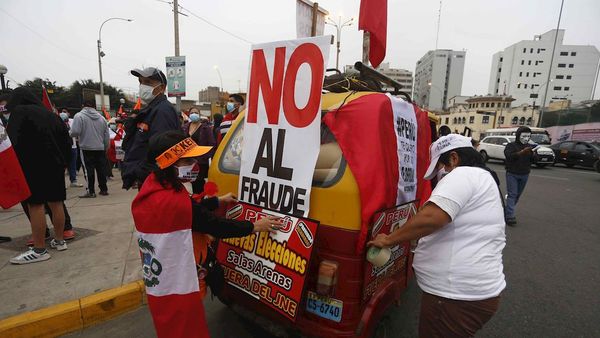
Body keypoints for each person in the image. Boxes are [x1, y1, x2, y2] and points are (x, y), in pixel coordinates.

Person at [132, 130, 282, 337]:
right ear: (169, 164)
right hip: (180, 279)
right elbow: (213, 225)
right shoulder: (173, 203)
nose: (194, 164)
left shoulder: (155, 185)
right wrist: (255, 226)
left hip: (163, 277)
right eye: (188, 160)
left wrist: (217, 201)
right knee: (184, 326)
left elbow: (191, 208)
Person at [368, 134, 505, 337]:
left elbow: (432, 217)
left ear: (454, 158)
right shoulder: (484, 177)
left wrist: (388, 240)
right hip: (473, 292)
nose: (444, 171)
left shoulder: (462, 175)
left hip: (455, 296)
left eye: (442, 165)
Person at [6, 87, 72, 264]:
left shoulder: (19, 112)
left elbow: (13, 141)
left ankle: (39, 249)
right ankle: (59, 240)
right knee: (56, 203)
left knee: (35, 206)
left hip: (33, 165)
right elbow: (67, 141)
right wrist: (64, 163)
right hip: (56, 165)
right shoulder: (52, 115)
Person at [121, 67, 180, 190]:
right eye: (141, 82)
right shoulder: (152, 109)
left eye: (148, 82)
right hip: (149, 179)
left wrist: (140, 173)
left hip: (155, 181)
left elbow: (162, 152)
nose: (143, 86)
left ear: (162, 88)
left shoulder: (162, 111)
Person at [70, 101, 110, 198]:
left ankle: (91, 191)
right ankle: (103, 189)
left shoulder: (79, 116)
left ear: (83, 106)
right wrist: (105, 147)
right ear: (95, 107)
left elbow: (75, 132)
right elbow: (106, 135)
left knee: (88, 170)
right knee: (101, 169)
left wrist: (70, 133)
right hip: (100, 147)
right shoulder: (102, 118)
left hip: (86, 147)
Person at [504, 126, 535, 226]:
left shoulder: (530, 147)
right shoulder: (511, 145)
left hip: (525, 174)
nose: (526, 138)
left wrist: (533, 154)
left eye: (528, 136)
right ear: (518, 135)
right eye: (524, 135)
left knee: (517, 195)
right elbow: (509, 156)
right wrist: (522, 152)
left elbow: (534, 160)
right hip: (512, 173)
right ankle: (510, 217)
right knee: (512, 194)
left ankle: (507, 211)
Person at [183, 107, 215, 193]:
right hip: (188, 161)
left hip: (200, 162)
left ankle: (200, 200)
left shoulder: (205, 128)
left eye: (196, 112)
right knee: (190, 182)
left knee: (199, 183)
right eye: (192, 112)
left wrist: (205, 156)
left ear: (199, 115)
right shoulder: (185, 127)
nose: (194, 114)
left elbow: (212, 143)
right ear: (189, 114)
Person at [60, 109, 83, 188]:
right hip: (62, 147)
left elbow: (77, 131)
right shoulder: (58, 123)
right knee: (62, 165)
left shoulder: (73, 121)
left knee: (73, 165)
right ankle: (61, 183)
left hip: (73, 147)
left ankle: (73, 181)